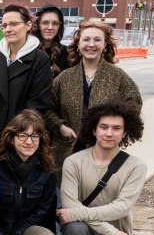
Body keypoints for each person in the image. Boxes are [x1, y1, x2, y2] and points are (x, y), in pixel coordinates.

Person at [53, 101, 146, 235]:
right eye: (104, 127)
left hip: (115, 234)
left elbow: (121, 207)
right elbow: (70, 205)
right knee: (74, 228)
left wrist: (109, 231)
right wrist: (109, 229)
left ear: (125, 132)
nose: (109, 133)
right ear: (94, 130)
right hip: (90, 230)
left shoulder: (135, 166)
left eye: (116, 128)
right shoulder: (73, 162)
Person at [47, 20, 143, 175]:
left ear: (105, 44)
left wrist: (112, 130)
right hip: (67, 150)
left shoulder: (118, 77)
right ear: (78, 44)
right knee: (65, 189)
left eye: (97, 40)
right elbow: (48, 108)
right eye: (86, 39)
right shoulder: (64, 78)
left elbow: (134, 105)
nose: (91, 44)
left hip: (103, 151)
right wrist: (60, 126)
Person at [0, 3, 53, 152]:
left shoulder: (40, 59)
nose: (8, 29)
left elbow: (38, 105)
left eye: (14, 24)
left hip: (18, 138)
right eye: (4, 25)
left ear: (28, 25)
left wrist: (19, 132)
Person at [32, 4, 71, 76]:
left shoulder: (66, 53)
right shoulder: (29, 52)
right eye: (45, 23)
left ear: (60, 26)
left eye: (55, 23)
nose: (50, 27)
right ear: (38, 25)